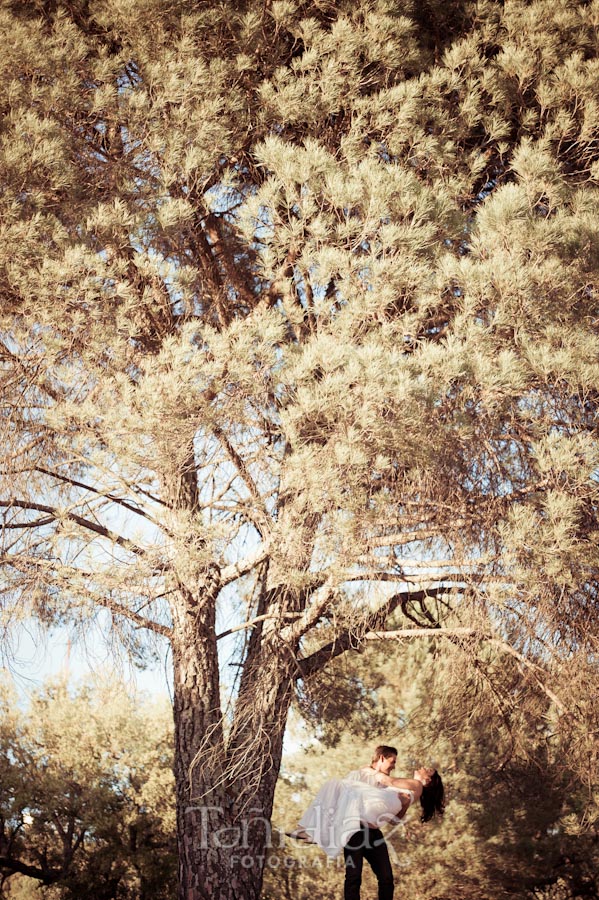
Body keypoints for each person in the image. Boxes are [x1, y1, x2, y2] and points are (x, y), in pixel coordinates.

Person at [288, 744, 444, 900]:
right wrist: (372, 774)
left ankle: (317, 833)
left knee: (385, 878)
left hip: (373, 832)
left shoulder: (415, 784)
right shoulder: (361, 775)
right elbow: (393, 814)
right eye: (393, 761)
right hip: (356, 828)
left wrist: (377, 776)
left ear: (427, 780)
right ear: (382, 758)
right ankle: (315, 832)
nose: (395, 766)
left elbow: (391, 796)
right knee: (354, 876)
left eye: (428, 770)